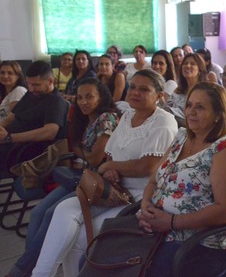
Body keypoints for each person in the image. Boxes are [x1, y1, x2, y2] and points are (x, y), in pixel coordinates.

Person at [31, 69, 178, 277]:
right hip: (112, 188)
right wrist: (109, 170)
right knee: (64, 209)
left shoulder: (164, 121)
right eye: (133, 87)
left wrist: (110, 167)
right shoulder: (127, 116)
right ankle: (41, 274)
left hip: (140, 197)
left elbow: (148, 166)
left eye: (144, 89)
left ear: (160, 96)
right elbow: (110, 154)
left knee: (81, 237)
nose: (135, 92)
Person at [6, 78, 119, 277]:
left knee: (51, 213)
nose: (83, 102)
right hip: (77, 176)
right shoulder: (85, 118)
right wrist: (81, 150)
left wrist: (79, 150)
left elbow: (94, 156)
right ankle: (32, 261)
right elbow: (77, 149)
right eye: (80, 98)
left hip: (94, 182)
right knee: (38, 212)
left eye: (89, 97)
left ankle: (21, 270)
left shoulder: (106, 118)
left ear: (101, 97)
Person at [138, 82, 226, 277]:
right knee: (105, 258)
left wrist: (172, 222)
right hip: (160, 231)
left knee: (138, 271)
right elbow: (154, 180)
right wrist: (146, 205)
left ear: (218, 115)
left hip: (199, 244)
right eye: (189, 105)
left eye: (200, 107)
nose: (191, 112)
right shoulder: (182, 137)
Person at [0, 61, 68, 174]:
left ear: (51, 81)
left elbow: (49, 132)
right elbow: (12, 116)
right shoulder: (31, 94)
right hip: (10, 142)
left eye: (36, 85)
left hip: (23, 151)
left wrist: (9, 137)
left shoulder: (55, 101)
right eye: (29, 84)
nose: (31, 88)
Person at [165, 53, 208, 123]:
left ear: (200, 70)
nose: (188, 66)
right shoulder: (178, 90)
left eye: (192, 64)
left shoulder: (205, 92)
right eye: (185, 63)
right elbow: (166, 108)